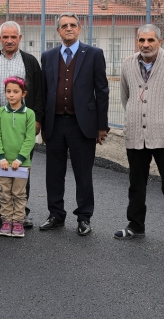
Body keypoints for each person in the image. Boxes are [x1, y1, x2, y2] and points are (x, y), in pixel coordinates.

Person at [116, 24, 164, 253]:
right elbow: (126, 97)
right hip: (136, 134)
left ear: (160, 41)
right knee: (136, 183)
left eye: (150, 40)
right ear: (137, 41)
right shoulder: (128, 64)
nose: (146, 45)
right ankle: (135, 226)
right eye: (142, 40)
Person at [40, 12, 109, 236]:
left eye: (72, 25)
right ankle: (56, 214)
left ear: (79, 29)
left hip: (83, 125)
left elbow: (102, 91)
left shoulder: (94, 54)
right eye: (64, 26)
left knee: (83, 173)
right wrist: (40, 122)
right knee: (54, 172)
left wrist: (102, 126)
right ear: (58, 31)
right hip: (55, 123)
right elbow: (44, 91)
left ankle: (84, 217)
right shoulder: (48, 56)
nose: (68, 28)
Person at [0, 21, 42, 226]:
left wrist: (38, 121)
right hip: (0, 125)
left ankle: (20, 212)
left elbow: (39, 93)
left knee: (21, 169)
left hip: (24, 126)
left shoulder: (30, 62)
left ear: (20, 38)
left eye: (13, 37)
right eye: (5, 37)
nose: (9, 40)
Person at [0, 76, 36, 238]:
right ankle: (6, 221)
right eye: (8, 91)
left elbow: (30, 139)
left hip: (21, 164)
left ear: (23, 93)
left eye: (15, 92)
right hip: (1, 163)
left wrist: (20, 159)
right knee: (4, 194)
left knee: (19, 194)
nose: (11, 95)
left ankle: (18, 222)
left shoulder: (29, 114)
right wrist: (1, 157)